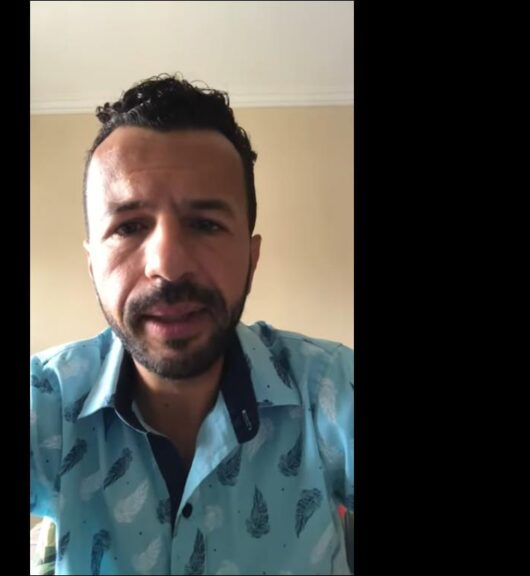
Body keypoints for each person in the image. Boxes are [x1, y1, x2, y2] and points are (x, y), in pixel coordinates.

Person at [30, 74, 355, 575]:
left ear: (251, 258)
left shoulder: (329, 387)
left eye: (205, 224)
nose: (169, 264)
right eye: (129, 226)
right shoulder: (47, 400)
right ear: (93, 265)